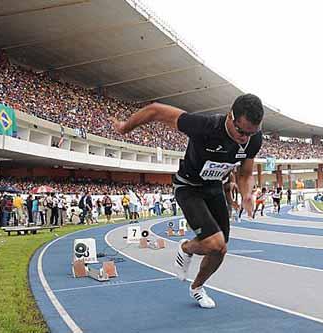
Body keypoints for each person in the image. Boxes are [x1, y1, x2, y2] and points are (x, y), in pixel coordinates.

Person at [111, 93, 264, 309]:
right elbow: (155, 109)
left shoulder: (253, 138)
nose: (245, 138)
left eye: (251, 133)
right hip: (188, 187)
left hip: (213, 188)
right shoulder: (205, 126)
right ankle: (186, 247)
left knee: (220, 250)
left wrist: (247, 194)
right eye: (241, 131)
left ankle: (197, 287)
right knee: (214, 242)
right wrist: (125, 128)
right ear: (231, 117)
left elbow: (246, 173)